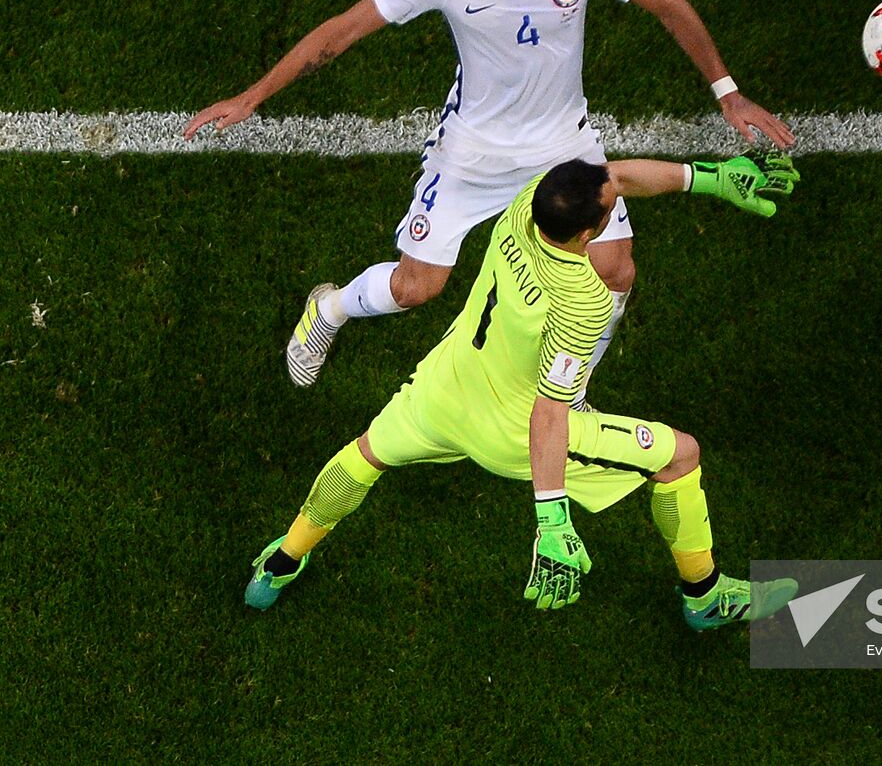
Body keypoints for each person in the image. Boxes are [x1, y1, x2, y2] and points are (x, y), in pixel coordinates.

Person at [183, 0, 796, 401]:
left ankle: (568, 394)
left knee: (616, 271)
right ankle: (330, 309)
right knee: (416, 287)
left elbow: (669, 5)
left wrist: (728, 93)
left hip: (565, 143)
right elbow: (340, 33)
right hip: (473, 153)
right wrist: (252, 96)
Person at [244, 153, 800, 628]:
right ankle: (705, 597)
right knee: (681, 455)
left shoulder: (529, 202)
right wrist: (552, 520)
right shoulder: (584, 298)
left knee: (363, 456)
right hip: (513, 432)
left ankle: (281, 561)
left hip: (442, 388)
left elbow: (614, 178)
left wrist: (709, 177)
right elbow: (549, 410)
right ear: (589, 234)